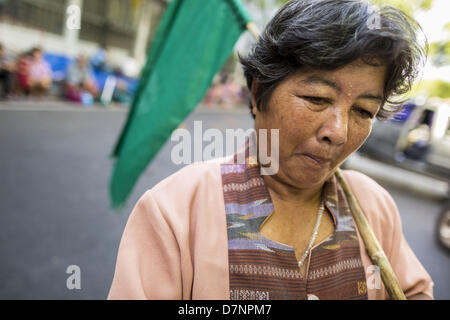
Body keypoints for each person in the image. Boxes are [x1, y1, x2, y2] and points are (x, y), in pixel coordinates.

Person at [108, 0, 433, 300]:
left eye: (363, 111)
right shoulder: (175, 209)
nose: (338, 132)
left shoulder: (374, 206)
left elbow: (414, 289)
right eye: (317, 99)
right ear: (259, 91)